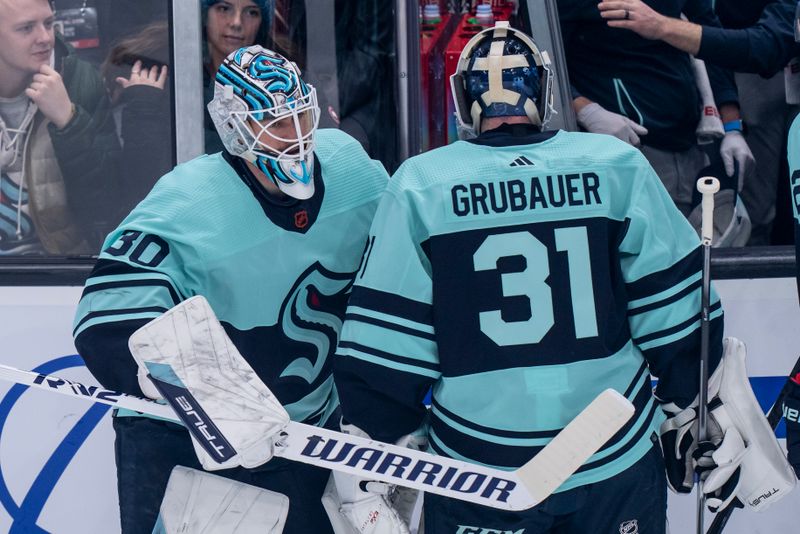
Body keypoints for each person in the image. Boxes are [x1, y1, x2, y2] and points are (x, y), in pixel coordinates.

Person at [332, 22, 725, 533]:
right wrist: (689, 407)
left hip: (478, 469)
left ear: (461, 99)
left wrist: (387, 440)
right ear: (542, 89)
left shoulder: (421, 185)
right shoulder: (614, 165)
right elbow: (676, 315)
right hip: (613, 457)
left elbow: (385, 346)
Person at [72, 45, 388, 533]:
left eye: (302, 116)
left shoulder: (352, 169)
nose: (297, 137)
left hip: (309, 437)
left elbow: (405, 270)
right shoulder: (187, 201)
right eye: (276, 124)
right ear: (235, 126)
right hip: (188, 449)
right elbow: (105, 319)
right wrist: (205, 399)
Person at [600, 0, 800, 246]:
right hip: (660, 112)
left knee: (760, 211)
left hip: (755, 63)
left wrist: (661, 25)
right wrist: (584, 107)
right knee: (728, 215)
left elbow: (766, 46)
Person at [558, 0, 753, 221]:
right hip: (626, 148)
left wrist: (732, 125)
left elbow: (711, 38)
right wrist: (583, 109)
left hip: (691, 145)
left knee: (704, 243)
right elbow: (541, 53)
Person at [0, 0, 119, 255]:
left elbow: (107, 204)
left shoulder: (78, 80)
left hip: (56, 265)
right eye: (26, 28)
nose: (45, 38)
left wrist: (69, 121)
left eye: (49, 23)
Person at [202, 0, 275, 154]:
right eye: (224, 8)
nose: (236, 22)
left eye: (251, 12)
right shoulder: (175, 78)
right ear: (204, 14)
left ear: (262, 22)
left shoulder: (284, 81)